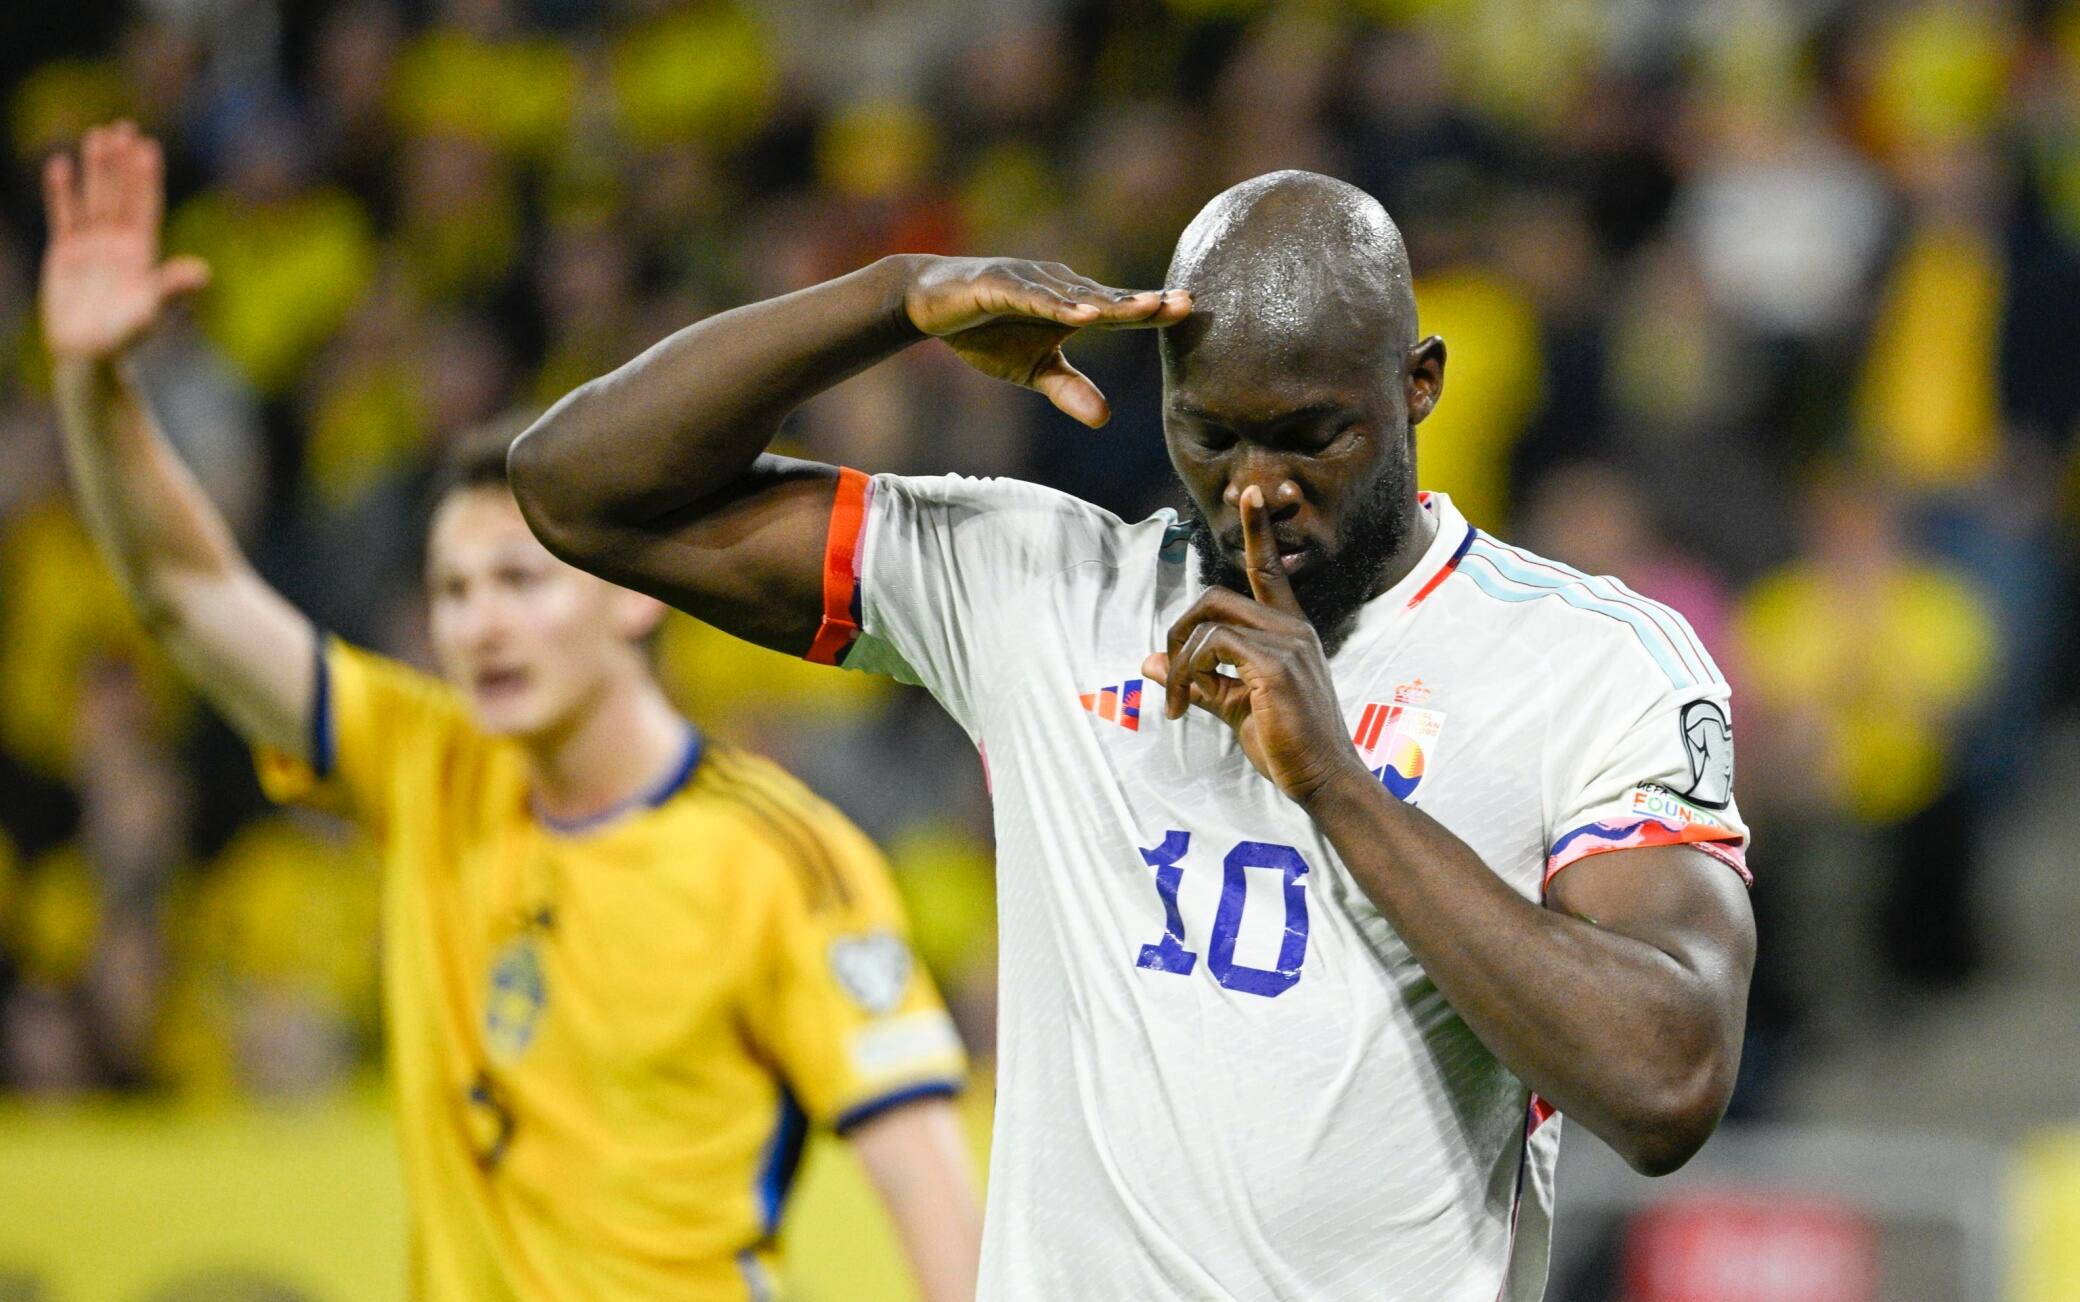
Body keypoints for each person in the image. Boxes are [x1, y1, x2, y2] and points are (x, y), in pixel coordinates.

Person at [511, 170, 1758, 1300]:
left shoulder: (1587, 662)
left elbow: (1667, 1085)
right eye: (1211, 434)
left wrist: (1338, 785)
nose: (1255, 487)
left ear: (1418, 383)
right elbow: (580, 488)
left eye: (1309, 434)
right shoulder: (1040, 590)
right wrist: (894, 302)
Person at [39, 121, 981, 1302]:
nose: (480, 624)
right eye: (452, 590)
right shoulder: (428, 764)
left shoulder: (773, 859)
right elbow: (187, 593)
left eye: (519, 583)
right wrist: (95, 384)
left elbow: (927, 1183)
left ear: (633, 600)